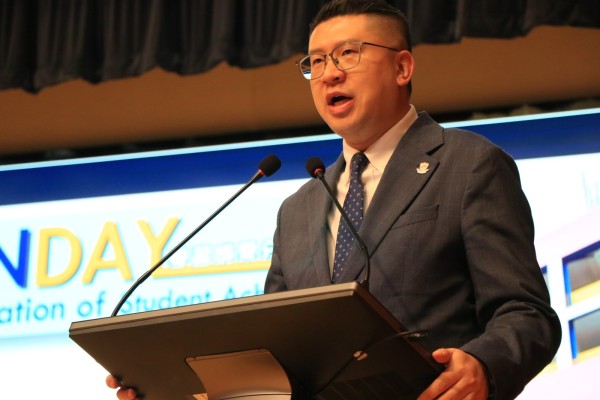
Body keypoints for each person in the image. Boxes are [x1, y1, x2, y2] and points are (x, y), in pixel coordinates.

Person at [108, 0, 561, 399]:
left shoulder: (468, 164)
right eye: (317, 61)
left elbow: (526, 314)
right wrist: (178, 389)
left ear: (402, 68)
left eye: (348, 53)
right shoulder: (298, 209)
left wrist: (483, 365)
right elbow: (276, 358)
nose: (330, 73)